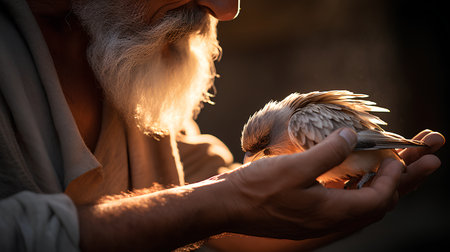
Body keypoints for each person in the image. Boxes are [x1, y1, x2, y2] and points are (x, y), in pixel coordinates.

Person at [0, 0, 444, 251]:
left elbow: (210, 197)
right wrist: (228, 200)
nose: (227, 8)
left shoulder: (123, 60)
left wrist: (326, 207)